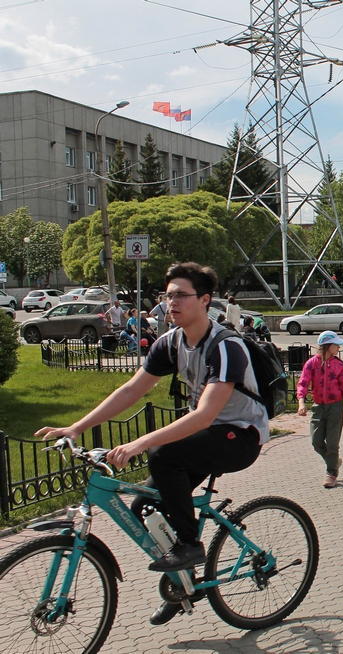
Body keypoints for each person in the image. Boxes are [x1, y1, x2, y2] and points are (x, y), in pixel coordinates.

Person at [35, 262, 268, 626]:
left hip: (240, 436)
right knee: (144, 506)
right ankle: (182, 584)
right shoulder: (171, 342)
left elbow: (205, 416)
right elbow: (132, 390)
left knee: (164, 453)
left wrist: (140, 443)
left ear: (205, 300)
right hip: (204, 436)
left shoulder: (226, 346)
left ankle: (189, 546)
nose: (171, 302)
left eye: (181, 295)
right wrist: (76, 428)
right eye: (168, 295)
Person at [297, 330, 343, 489]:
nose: (339, 348)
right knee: (316, 442)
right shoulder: (311, 364)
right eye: (336, 345)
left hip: (335, 407)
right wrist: (301, 402)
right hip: (318, 407)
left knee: (333, 443)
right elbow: (303, 383)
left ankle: (331, 472)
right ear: (328, 346)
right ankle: (334, 461)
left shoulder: (339, 365)